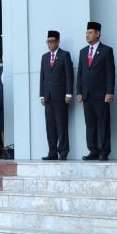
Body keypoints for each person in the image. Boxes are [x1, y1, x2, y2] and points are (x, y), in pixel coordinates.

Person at [77, 21, 115, 160]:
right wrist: (79, 91)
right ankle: (93, 150)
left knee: (103, 124)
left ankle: (104, 151)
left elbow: (110, 73)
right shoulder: (83, 51)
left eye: (90, 32)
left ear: (98, 34)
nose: (88, 35)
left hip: (101, 95)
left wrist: (110, 92)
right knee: (90, 124)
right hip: (87, 95)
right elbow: (80, 73)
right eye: (87, 33)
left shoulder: (106, 50)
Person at [39, 30, 74, 160]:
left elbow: (69, 76)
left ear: (58, 41)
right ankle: (52, 152)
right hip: (48, 97)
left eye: (52, 41)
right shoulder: (44, 57)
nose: (50, 44)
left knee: (61, 125)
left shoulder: (65, 55)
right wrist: (41, 95)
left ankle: (63, 152)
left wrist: (69, 93)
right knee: (50, 126)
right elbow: (42, 76)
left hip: (60, 97)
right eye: (48, 41)